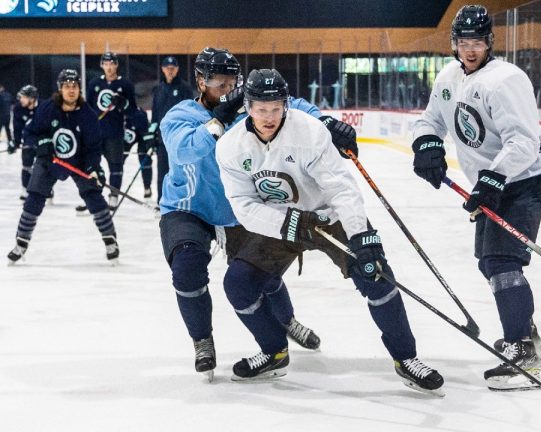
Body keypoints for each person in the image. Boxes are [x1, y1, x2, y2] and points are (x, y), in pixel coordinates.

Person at [215, 68, 443, 395]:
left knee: (375, 273)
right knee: (238, 283)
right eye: (261, 109)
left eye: (276, 108)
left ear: (286, 106)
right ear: (247, 107)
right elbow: (244, 206)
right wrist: (291, 224)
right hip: (281, 221)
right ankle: (274, 351)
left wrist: (361, 235)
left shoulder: (309, 132)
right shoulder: (230, 148)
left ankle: (406, 358)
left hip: (328, 217)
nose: (269, 117)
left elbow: (341, 189)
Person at [410, 5, 541, 391]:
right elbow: (431, 120)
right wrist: (426, 144)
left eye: (476, 42)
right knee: (487, 263)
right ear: (454, 43)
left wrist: (493, 178)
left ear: (489, 42)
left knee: (502, 260)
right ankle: (525, 331)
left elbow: (524, 141)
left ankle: (521, 347)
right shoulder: (448, 77)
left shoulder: (506, 80)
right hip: (490, 185)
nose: (469, 49)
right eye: (462, 42)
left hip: (521, 182)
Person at [159, 47, 327, 382]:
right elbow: (184, 151)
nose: (223, 87)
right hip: (187, 208)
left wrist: (326, 122)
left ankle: (286, 321)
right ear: (200, 80)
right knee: (187, 270)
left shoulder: (247, 112)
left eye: (229, 80)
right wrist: (219, 118)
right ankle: (202, 340)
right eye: (215, 80)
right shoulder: (180, 115)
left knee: (262, 274)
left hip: (238, 208)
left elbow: (295, 110)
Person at [7, 69, 118, 264]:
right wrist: (42, 144)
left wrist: (95, 168)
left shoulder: (87, 114)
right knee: (34, 197)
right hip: (50, 161)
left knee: (93, 196)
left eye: (74, 86)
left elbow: (93, 147)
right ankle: (21, 242)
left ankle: (110, 240)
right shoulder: (47, 109)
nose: (71, 90)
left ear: (79, 89)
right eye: (67, 86)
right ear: (60, 89)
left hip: (79, 161)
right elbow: (30, 133)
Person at [87, 51, 137, 209]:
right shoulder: (94, 83)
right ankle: (93, 197)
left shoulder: (125, 85)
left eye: (112, 64)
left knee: (116, 166)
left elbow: (132, 111)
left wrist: (123, 103)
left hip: (115, 134)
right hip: (96, 133)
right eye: (106, 64)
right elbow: (87, 109)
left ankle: (113, 196)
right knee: (92, 165)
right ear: (102, 65)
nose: (109, 67)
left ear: (117, 65)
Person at [151, 56, 194, 203]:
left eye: (172, 68)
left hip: (179, 139)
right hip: (162, 140)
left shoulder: (185, 88)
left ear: (177, 69)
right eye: (167, 68)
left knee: (180, 171)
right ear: (162, 69)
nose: (170, 71)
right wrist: (151, 134)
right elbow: (155, 114)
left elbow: (190, 112)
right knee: (162, 172)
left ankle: (181, 200)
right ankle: (161, 201)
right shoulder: (159, 89)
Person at [10, 85, 40, 200]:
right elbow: (17, 128)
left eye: (23, 97)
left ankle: (47, 188)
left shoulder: (43, 107)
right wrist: (16, 143)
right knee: (26, 163)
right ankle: (25, 189)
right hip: (28, 141)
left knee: (43, 165)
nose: (21, 100)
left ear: (31, 98)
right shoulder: (18, 108)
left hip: (43, 141)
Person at [123, 107, 155, 199]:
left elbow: (146, 132)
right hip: (127, 130)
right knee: (118, 159)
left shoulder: (139, 114)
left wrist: (150, 142)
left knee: (144, 157)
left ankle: (147, 187)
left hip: (141, 127)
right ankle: (114, 190)